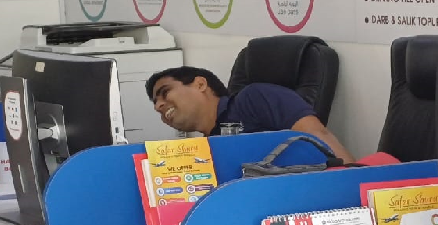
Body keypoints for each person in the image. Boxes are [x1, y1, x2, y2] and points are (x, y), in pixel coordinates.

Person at [146, 66, 356, 163]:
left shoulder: (254, 98)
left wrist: (355, 187)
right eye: (155, 103)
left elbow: (319, 137)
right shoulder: (204, 151)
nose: (159, 106)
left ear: (200, 84)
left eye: (164, 92)